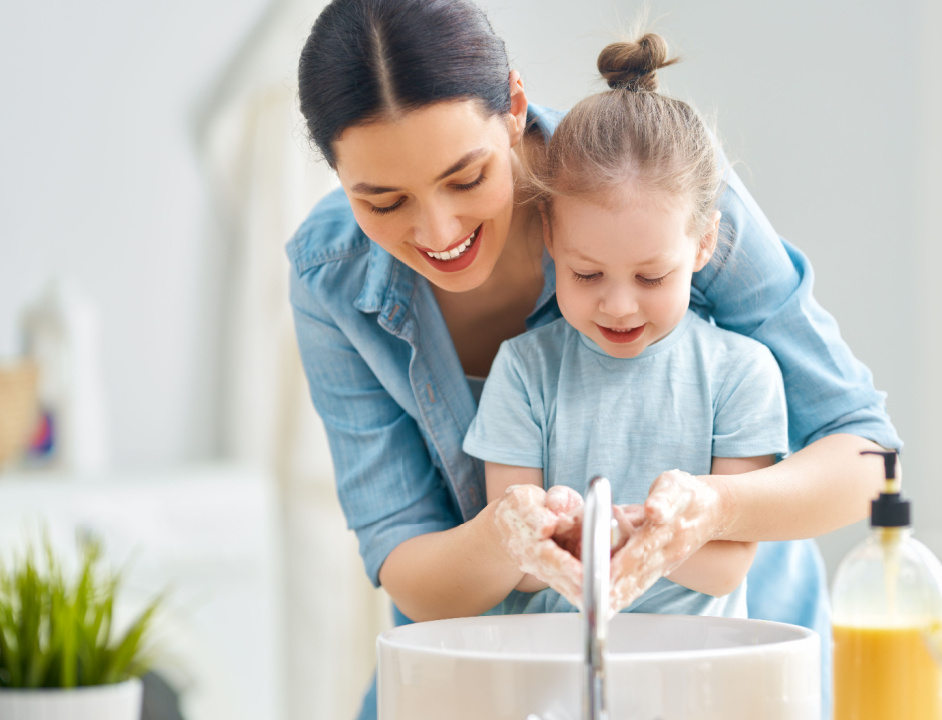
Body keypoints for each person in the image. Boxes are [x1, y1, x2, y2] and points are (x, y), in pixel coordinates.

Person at [287, 0, 902, 717]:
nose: (438, 230)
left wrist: (715, 509)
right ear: (335, 172)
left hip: (725, 657)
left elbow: (867, 455)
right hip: (495, 666)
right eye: (384, 200)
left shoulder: (658, 184)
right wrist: (502, 540)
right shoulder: (329, 272)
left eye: (465, 177)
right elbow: (406, 564)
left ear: (513, 106)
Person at [464, 33, 787, 620]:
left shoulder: (741, 374)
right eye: (587, 275)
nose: (619, 306)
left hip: (697, 683)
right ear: (551, 238)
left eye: (651, 278)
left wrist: (621, 534)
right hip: (556, 677)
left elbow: (726, 568)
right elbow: (522, 565)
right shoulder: (525, 371)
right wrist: (554, 528)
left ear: (704, 243)